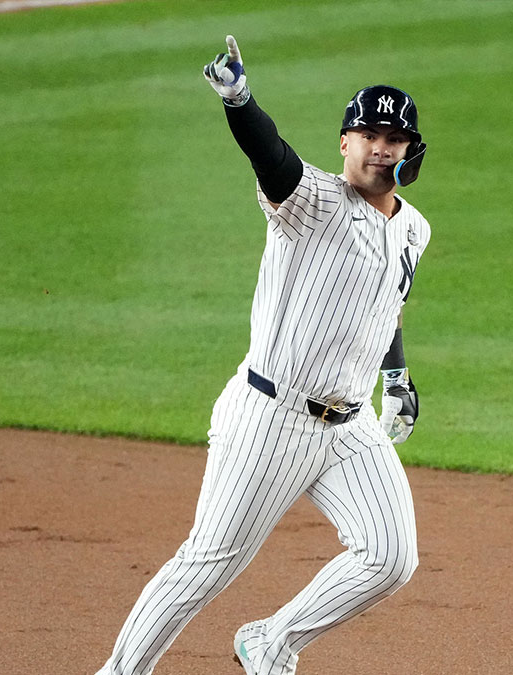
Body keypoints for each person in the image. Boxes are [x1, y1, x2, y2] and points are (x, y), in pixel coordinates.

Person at [94, 35, 431, 675]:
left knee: (390, 556)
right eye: (366, 133)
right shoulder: (310, 201)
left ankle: (272, 642)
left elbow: (387, 302)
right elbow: (271, 157)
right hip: (272, 419)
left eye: (393, 137)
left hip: (351, 424)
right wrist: (240, 101)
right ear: (344, 142)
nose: (379, 146)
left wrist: (397, 377)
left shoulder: (414, 228)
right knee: (208, 563)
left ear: (410, 150)